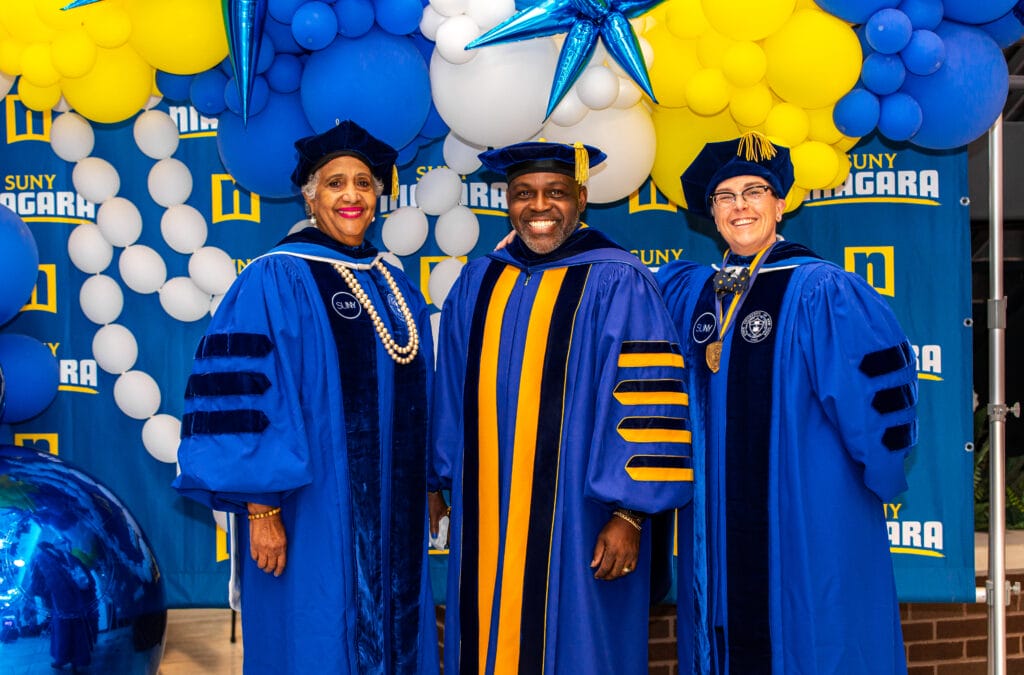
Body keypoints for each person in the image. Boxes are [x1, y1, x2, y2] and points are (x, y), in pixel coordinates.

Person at [173, 120, 439, 675]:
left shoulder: (394, 284)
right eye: (336, 183)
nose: (351, 196)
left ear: (379, 197)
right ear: (310, 195)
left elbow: (423, 398)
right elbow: (242, 399)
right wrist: (262, 508)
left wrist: (432, 482)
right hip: (305, 511)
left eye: (364, 183)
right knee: (314, 638)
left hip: (394, 515)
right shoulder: (274, 279)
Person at [657, 133, 918, 674]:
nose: (740, 206)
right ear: (711, 213)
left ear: (780, 204)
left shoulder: (823, 290)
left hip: (807, 513)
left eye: (754, 192)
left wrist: (877, 478)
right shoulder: (695, 294)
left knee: (816, 637)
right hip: (715, 524)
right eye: (725, 196)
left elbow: (879, 403)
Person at [430, 140, 694, 674]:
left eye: (555, 192)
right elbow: (450, 395)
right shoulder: (479, 282)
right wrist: (437, 482)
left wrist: (630, 513)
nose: (539, 206)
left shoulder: (619, 281)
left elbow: (648, 402)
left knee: (580, 651)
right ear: (507, 202)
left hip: (583, 520)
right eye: (523, 193)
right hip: (488, 516)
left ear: (581, 197)